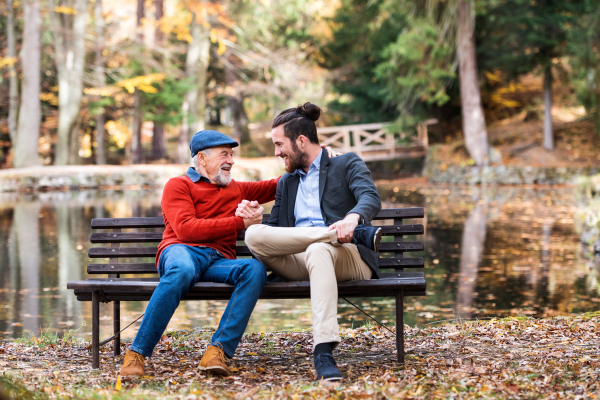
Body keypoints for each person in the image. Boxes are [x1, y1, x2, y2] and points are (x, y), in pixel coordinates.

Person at [243, 102, 382, 382]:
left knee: (319, 249)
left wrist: (353, 219)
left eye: (279, 144)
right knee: (253, 235)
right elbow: (274, 233)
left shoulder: (345, 163)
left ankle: (323, 351)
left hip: (347, 254)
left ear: (301, 141)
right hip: (301, 259)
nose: (276, 152)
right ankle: (327, 233)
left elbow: (370, 197)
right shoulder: (286, 183)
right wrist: (253, 219)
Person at [119, 130, 276, 377]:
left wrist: (318, 160)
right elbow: (186, 230)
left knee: (254, 269)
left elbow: (277, 186)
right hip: (181, 251)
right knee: (182, 269)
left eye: (232, 154)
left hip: (218, 262)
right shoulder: (178, 185)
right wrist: (239, 223)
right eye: (224, 154)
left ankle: (217, 352)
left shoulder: (236, 188)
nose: (231, 160)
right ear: (202, 159)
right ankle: (136, 354)